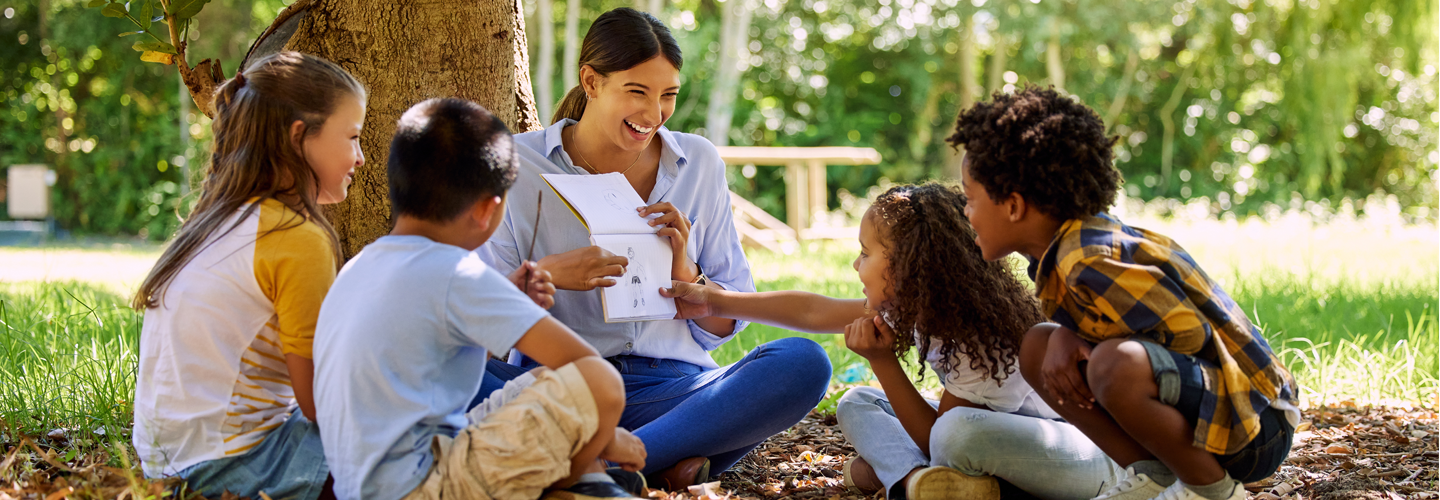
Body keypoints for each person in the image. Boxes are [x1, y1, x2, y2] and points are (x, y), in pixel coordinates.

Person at [476, 7, 831, 490]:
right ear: (591, 81)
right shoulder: (518, 164)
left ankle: (603, 469)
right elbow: (482, 321)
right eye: (637, 91)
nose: (654, 113)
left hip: (674, 388)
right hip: (561, 384)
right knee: (444, 365)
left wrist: (693, 280)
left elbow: (726, 324)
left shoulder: (698, 162)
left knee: (803, 363)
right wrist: (550, 275)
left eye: (668, 96)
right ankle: (662, 462)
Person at [662, 183, 1123, 500]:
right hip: (991, 446)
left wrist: (884, 362)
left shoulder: (980, 339)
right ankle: (915, 484)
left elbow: (941, 439)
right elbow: (812, 310)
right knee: (859, 401)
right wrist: (715, 301)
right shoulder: (920, 306)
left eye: (865, 253)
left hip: (1080, 461)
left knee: (956, 432)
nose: (855, 266)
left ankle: (908, 477)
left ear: (909, 268)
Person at [949, 85, 1299, 500]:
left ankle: (1211, 491)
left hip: (1254, 422)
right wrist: (1067, 331)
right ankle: (1154, 477)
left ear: (1013, 205)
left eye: (970, 200)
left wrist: (1081, 335)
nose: (966, 212)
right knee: (1039, 346)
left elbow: (1188, 334)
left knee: (1115, 365)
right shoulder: (1062, 254)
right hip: (1210, 409)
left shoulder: (1088, 259)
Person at [313, 98, 646, 500]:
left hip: (361, 486)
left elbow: (432, 360)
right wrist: (607, 439)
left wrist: (507, 296)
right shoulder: (458, 273)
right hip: (425, 486)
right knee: (598, 383)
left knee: (542, 380)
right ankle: (573, 482)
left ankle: (585, 479)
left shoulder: (362, 266)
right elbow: (595, 376)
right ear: (489, 209)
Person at [129, 51, 365, 500]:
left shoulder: (218, 218)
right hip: (234, 470)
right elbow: (320, 404)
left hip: (166, 466)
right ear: (299, 138)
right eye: (352, 137)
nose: (361, 157)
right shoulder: (297, 238)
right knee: (418, 439)